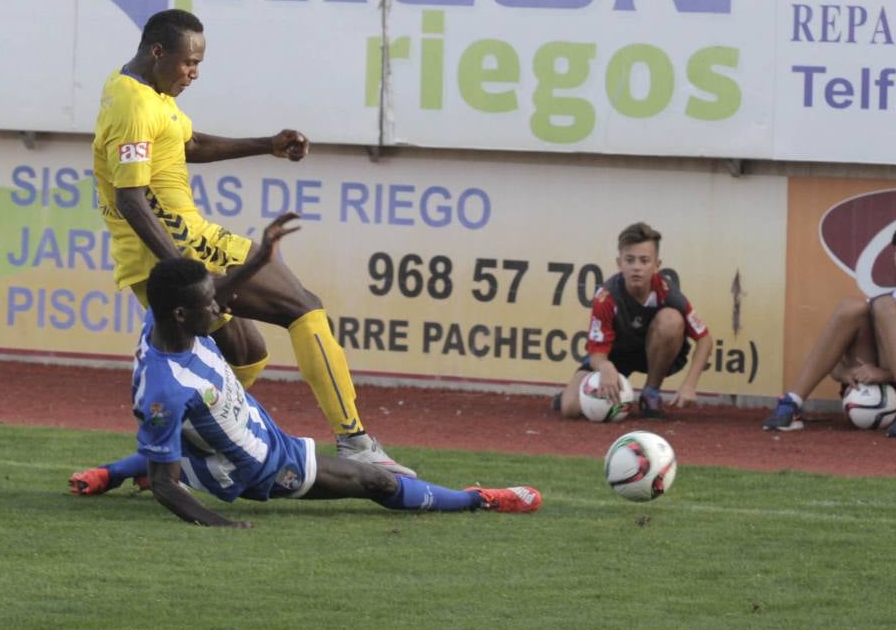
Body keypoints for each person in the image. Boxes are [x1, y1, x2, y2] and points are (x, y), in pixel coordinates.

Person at [90, 8, 412, 476]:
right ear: (158, 51)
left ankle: (165, 455)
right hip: (183, 250)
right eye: (189, 63)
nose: (194, 73)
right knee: (303, 307)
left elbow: (188, 144)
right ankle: (355, 441)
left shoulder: (148, 92)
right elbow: (131, 199)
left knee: (246, 356)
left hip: (175, 252)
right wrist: (186, 274)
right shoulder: (133, 104)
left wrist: (268, 144)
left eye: (199, 64)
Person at [68, 218, 542, 526]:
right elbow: (168, 486)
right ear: (179, 314)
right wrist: (222, 524)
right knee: (374, 482)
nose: (220, 306)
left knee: (181, 450)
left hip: (233, 447)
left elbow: (214, 296)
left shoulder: (166, 320)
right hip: (268, 466)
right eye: (207, 304)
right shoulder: (165, 390)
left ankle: (109, 474)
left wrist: (257, 260)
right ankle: (479, 499)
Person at [763, 218, 896, 438]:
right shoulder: (876, 304)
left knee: (886, 306)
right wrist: (846, 373)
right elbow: (833, 365)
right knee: (851, 307)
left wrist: (883, 374)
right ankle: (792, 402)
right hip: (872, 398)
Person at [555, 222, 713, 421]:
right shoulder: (606, 296)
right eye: (630, 260)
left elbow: (705, 339)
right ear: (619, 263)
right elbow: (596, 353)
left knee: (671, 319)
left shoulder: (667, 292)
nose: (636, 267)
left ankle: (651, 394)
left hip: (654, 354)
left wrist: (690, 385)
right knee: (569, 409)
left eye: (644, 260)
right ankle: (579, 391)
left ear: (657, 265)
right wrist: (605, 367)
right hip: (613, 355)